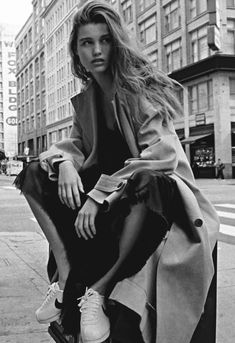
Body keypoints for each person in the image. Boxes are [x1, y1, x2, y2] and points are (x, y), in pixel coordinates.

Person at [14, 1, 219, 342]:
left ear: (116, 43)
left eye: (104, 40)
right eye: (86, 42)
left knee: (148, 181)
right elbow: (75, 146)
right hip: (115, 203)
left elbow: (162, 155)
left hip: (153, 202)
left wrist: (98, 194)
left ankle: (97, 290)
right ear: (76, 51)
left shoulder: (137, 89)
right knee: (35, 173)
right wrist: (63, 163)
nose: (96, 50)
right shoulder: (88, 99)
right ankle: (66, 281)